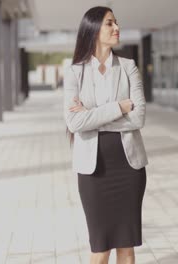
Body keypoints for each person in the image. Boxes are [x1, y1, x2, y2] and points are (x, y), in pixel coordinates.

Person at [63, 6, 149, 264]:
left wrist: (94, 116)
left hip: (129, 169)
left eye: (116, 23)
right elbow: (74, 121)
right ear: (93, 29)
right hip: (93, 173)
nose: (116, 28)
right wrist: (118, 108)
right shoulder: (74, 71)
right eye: (109, 23)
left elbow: (138, 117)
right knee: (100, 249)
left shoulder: (128, 67)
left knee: (126, 247)